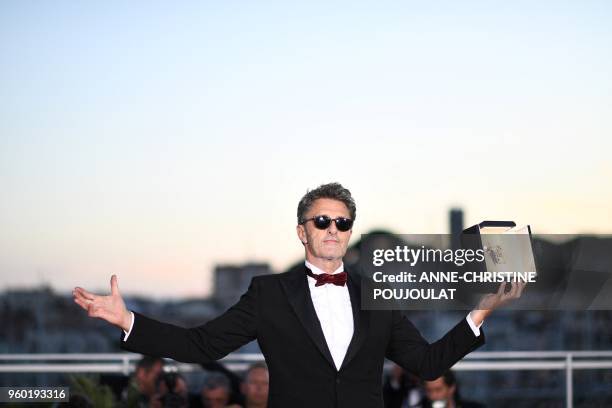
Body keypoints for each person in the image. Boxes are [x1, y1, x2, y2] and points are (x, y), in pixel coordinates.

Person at [74, 182, 525, 408]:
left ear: (350, 233)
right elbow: (201, 346)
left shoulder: (377, 295)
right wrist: (127, 320)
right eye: (322, 221)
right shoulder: (269, 294)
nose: (333, 230)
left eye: (342, 222)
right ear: (301, 232)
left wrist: (480, 313)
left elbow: (426, 364)